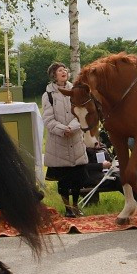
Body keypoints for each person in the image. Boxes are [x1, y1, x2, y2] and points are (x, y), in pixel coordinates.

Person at [41, 62, 89, 217]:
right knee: (63, 180)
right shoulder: (48, 95)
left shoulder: (76, 91)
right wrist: (63, 129)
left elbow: (82, 112)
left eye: (65, 70)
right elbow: (48, 119)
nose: (64, 72)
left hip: (75, 140)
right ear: (54, 75)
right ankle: (67, 208)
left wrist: (72, 127)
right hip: (58, 143)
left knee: (77, 179)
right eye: (60, 70)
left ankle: (75, 206)